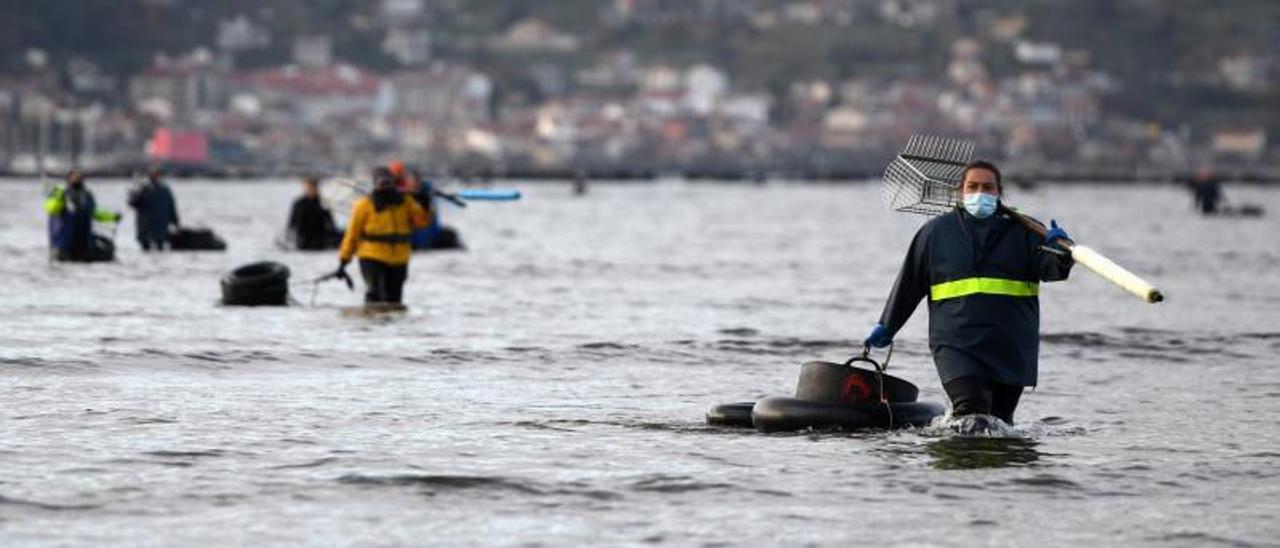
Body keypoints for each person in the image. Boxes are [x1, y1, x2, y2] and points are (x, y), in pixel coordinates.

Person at [863, 160, 1075, 425]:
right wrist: (887, 325)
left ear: (999, 193)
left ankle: (1003, 467)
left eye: (988, 187)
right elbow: (909, 284)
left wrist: (1060, 250)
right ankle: (959, 463)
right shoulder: (934, 233)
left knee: (1000, 421)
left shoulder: (1026, 232)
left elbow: (1052, 270)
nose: (980, 193)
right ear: (959, 192)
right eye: (972, 187)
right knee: (971, 410)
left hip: (1011, 346)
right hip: (956, 344)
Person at [336, 167, 430, 304]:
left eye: (388, 182)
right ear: (375, 184)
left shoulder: (406, 202)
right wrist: (343, 261)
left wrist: (424, 204)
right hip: (372, 257)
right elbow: (352, 235)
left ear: (393, 183)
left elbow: (422, 223)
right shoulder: (363, 206)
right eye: (381, 183)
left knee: (394, 300)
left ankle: (393, 324)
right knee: (376, 294)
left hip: (399, 259)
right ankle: (373, 321)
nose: (385, 186)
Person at [44, 170, 122, 261]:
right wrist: (59, 195)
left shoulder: (87, 195)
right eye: (74, 176)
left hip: (83, 243)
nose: (77, 178)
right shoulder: (60, 193)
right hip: (64, 243)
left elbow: (93, 213)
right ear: (68, 179)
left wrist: (112, 217)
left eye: (79, 177)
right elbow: (51, 208)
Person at [127, 166, 180, 251]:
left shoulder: (165, 190)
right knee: (145, 248)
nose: (156, 176)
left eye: (158, 174)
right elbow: (132, 203)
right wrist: (134, 192)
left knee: (160, 247)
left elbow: (172, 208)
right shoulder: (143, 189)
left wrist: (176, 223)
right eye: (154, 174)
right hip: (145, 229)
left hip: (161, 229)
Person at [286, 176, 340, 250]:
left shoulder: (322, 202)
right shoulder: (299, 203)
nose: (312, 189)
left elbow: (330, 222)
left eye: (314, 187)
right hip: (304, 239)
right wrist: (292, 237)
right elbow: (292, 224)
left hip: (320, 236)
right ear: (306, 188)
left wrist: (333, 233)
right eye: (310, 187)